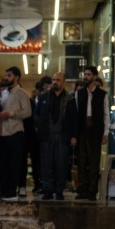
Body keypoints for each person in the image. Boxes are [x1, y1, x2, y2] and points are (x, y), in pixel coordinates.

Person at [71, 66, 110, 201]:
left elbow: (106, 115)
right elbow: (75, 116)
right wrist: (74, 135)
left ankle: (92, 191)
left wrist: (106, 132)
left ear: (94, 76)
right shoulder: (79, 93)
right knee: (81, 162)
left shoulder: (102, 94)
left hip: (95, 131)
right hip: (82, 131)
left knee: (94, 162)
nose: (86, 77)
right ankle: (83, 190)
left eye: (88, 74)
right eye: (85, 74)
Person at [34, 72, 75, 200]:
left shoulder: (70, 99)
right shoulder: (44, 97)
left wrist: (73, 135)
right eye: (53, 79)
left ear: (63, 82)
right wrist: (39, 128)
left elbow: (74, 119)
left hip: (62, 136)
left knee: (61, 165)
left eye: (58, 79)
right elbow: (37, 115)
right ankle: (47, 190)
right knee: (46, 164)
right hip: (47, 136)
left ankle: (59, 191)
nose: (55, 82)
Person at [0, 66, 31, 201]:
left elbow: (27, 112)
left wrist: (11, 114)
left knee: (14, 163)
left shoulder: (22, 93)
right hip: (2, 132)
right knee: (3, 163)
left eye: (9, 75)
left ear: (17, 77)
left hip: (15, 132)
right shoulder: (4, 93)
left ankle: (11, 191)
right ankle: (4, 190)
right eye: (6, 75)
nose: (6, 78)